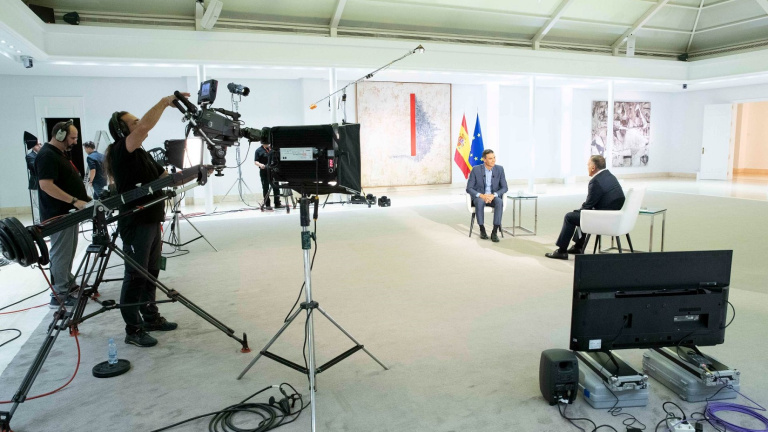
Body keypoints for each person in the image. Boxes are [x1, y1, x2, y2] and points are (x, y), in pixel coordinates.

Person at [105, 94, 187, 347]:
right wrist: (164, 102)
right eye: (134, 122)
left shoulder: (142, 153)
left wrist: (199, 172)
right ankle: (133, 330)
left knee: (151, 273)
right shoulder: (121, 150)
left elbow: (166, 178)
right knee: (135, 276)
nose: (139, 124)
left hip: (152, 219)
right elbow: (144, 128)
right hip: (135, 223)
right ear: (122, 131)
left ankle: (150, 317)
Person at [35, 120, 90, 308]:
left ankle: (68, 283)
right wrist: (74, 201)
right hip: (58, 214)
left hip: (68, 212)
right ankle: (59, 294)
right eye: (73, 138)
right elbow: (46, 185)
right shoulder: (47, 155)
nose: (75, 142)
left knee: (68, 251)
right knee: (61, 253)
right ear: (60, 135)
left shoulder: (58, 154)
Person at [545, 155, 625, 260]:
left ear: (593, 167)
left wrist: (578, 211)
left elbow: (588, 206)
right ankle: (578, 247)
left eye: (588, 165)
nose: (587, 167)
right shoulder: (609, 175)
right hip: (614, 217)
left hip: (604, 219)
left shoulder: (596, 181)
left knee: (570, 217)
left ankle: (562, 251)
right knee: (581, 214)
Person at [466, 149, 508, 243]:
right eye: (490, 158)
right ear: (484, 159)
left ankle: (494, 231)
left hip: (493, 197)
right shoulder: (476, 170)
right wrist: (481, 195)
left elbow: (505, 187)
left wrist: (494, 195)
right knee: (479, 202)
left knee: (499, 202)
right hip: (480, 197)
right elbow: (469, 188)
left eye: (494, 158)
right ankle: (482, 229)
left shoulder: (500, 169)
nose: (493, 160)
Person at [254, 141, 282, 210]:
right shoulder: (258, 150)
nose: (267, 144)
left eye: (268, 143)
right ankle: (267, 204)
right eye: (265, 143)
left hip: (273, 171)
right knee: (265, 187)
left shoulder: (272, 149)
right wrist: (260, 165)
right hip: (264, 171)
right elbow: (256, 161)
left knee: (276, 186)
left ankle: (277, 203)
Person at [26, 140, 42, 224]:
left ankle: (44, 220)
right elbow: (34, 167)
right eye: (37, 145)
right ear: (32, 146)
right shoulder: (30, 156)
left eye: (40, 144)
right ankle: (37, 222)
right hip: (35, 184)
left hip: (44, 183)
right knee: (36, 204)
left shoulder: (42, 154)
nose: (39, 146)